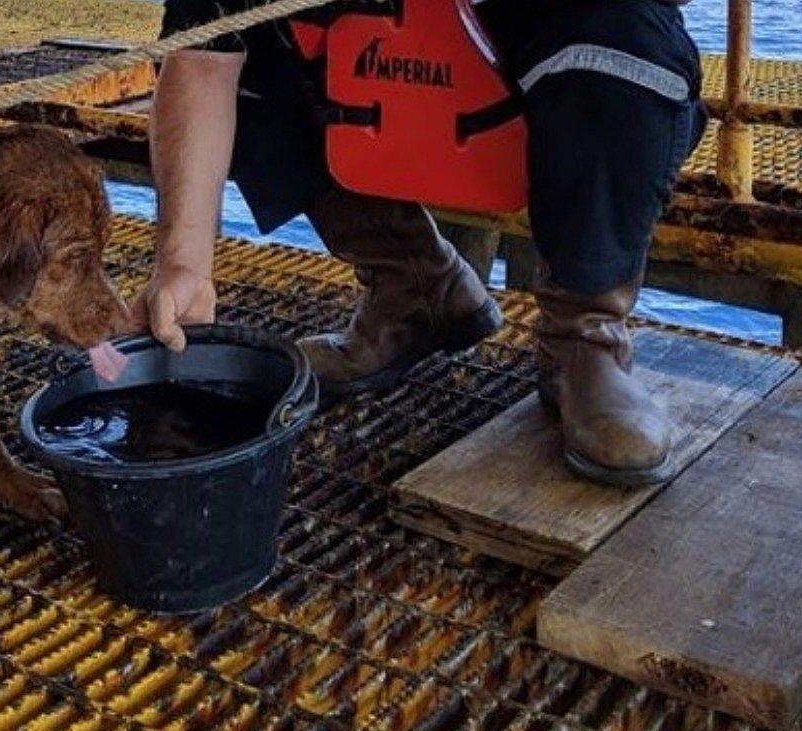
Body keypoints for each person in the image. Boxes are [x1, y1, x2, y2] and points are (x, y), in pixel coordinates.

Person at [128, 0, 706, 486]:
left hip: (532, 48)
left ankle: (585, 339)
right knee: (258, 46)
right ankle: (414, 286)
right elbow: (201, 58)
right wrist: (182, 265)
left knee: (628, 38)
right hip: (396, 73)